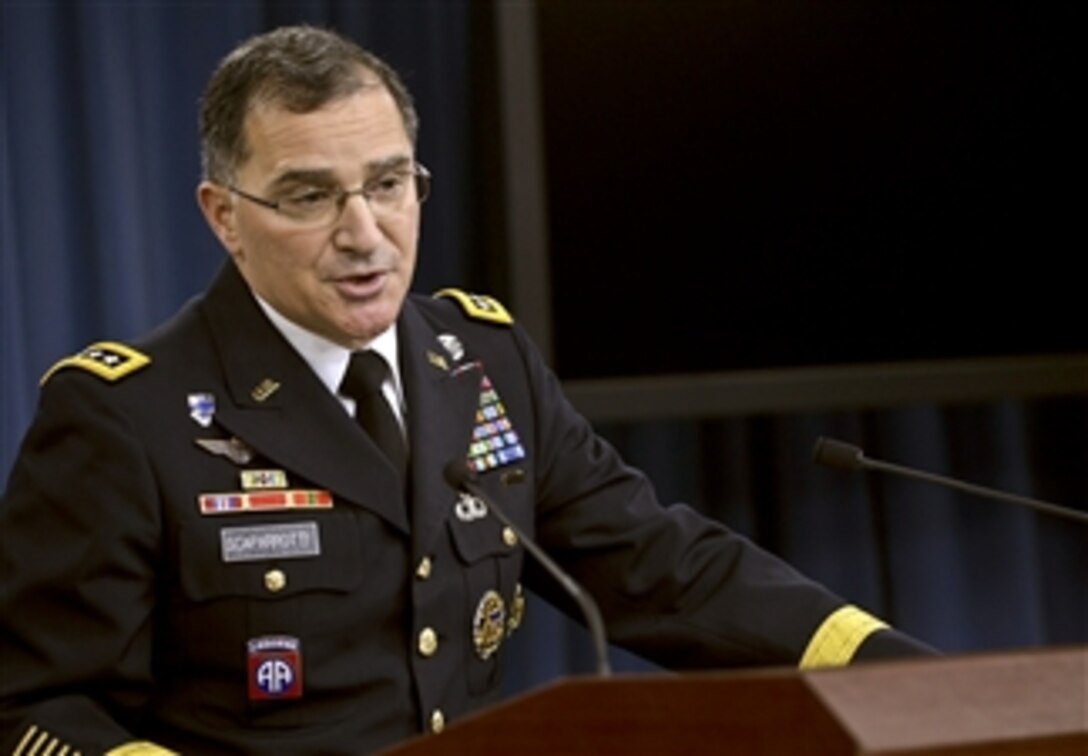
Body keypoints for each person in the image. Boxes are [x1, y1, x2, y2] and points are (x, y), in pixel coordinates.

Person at [0, 25, 933, 755]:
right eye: (311, 196)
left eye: (389, 184)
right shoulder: (125, 416)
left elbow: (667, 572)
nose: (366, 233)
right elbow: (35, 711)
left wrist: (911, 681)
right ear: (225, 219)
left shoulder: (483, 361)